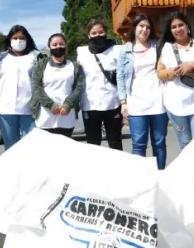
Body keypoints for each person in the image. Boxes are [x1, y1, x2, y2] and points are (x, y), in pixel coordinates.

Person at [157, 12, 194, 148]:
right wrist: (176, 71)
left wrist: (193, 65)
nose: (178, 29)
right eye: (174, 27)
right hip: (176, 103)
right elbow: (160, 73)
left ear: (187, 26)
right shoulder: (166, 48)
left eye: (181, 25)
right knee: (185, 145)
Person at [117, 14, 167, 169]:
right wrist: (123, 102)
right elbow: (120, 76)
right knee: (138, 144)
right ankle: (141, 179)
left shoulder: (158, 46)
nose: (145, 30)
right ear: (135, 28)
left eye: (148, 27)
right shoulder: (125, 50)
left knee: (159, 143)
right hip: (136, 102)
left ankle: (160, 176)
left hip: (158, 101)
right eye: (141, 26)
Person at [76, 19, 124, 150]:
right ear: (88, 35)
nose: (98, 35)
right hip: (90, 105)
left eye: (101, 32)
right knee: (93, 145)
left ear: (106, 33)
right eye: (94, 33)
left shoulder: (117, 50)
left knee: (115, 143)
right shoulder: (81, 52)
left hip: (113, 104)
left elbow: (123, 76)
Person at [0, 25, 40, 149]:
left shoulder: (36, 56)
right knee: (11, 148)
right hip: (5, 108)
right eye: (15, 38)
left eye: (22, 38)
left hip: (29, 109)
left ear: (27, 40)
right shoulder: (2, 58)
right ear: (10, 40)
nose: (18, 41)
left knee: (30, 147)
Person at [30, 33, 84, 137]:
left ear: (66, 46)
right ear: (49, 47)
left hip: (67, 114)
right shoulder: (41, 65)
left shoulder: (74, 66)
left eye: (61, 44)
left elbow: (79, 87)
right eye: (54, 44)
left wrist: (68, 104)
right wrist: (50, 105)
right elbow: (36, 86)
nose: (58, 46)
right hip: (45, 115)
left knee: (65, 146)